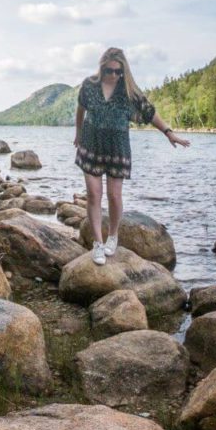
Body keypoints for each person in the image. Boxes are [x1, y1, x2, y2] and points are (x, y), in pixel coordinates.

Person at [73, 46, 190, 265]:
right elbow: (80, 109)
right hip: (91, 145)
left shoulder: (128, 91)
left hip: (117, 148)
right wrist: (78, 133)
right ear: (102, 67)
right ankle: (97, 243)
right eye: (110, 71)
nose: (114, 75)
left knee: (114, 196)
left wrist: (169, 133)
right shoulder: (89, 86)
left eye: (118, 71)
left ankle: (113, 236)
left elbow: (150, 112)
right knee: (93, 194)